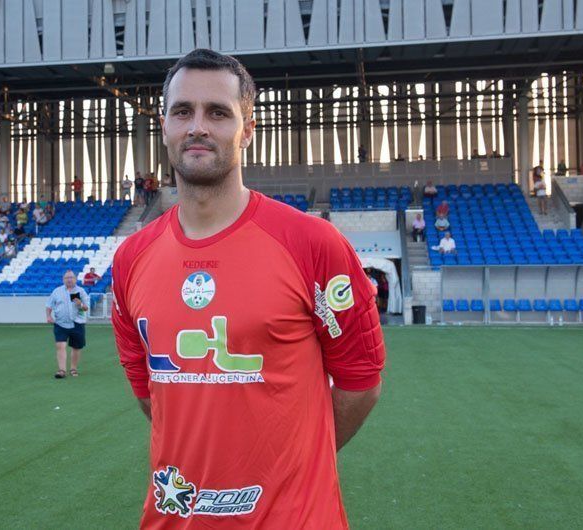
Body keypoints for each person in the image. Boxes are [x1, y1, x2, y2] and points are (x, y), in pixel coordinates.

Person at [111, 49, 385, 528]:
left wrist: (296, 462)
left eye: (218, 112)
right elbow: (148, 391)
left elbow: (360, 382)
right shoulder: (131, 258)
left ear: (249, 128)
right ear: (165, 125)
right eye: (183, 111)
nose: (198, 126)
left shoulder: (312, 244)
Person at [46, 270, 89, 379]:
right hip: (60, 323)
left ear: (75, 279)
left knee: (76, 347)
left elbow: (86, 308)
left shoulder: (81, 291)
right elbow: (49, 305)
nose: (69, 279)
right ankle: (62, 370)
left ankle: (73, 368)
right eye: (66, 278)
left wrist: (80, 304)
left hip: (77, 323)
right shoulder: (57, 291)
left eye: (71, 277)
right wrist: (49, 316)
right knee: (60, 345)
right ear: (63, 279)